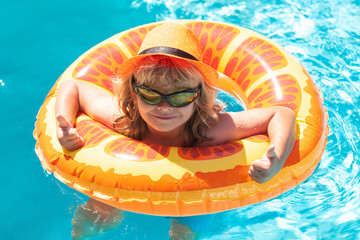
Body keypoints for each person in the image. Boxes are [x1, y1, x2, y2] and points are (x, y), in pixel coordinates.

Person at [55, 22, 296, 240]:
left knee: (184, 233)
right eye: (150, 94)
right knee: (89, 222)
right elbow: (73, 86)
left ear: (198, 98)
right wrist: (64, 128)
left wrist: (277, 159)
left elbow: (280, 114)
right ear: (133, 93)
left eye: (180, 96)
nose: (164, 106)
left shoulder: (208, 129)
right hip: (126, 181)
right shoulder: (125, 121)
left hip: (197, 195)